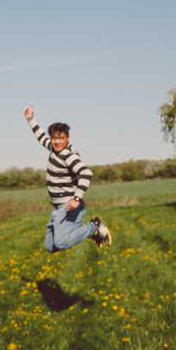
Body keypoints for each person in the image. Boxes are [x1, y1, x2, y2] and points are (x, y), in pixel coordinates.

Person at [25, 105, 111, 252]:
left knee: (61, 242)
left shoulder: (69, 155)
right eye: (54, 138)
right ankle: (94, 232)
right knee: (50, 246)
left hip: (69, 207)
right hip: (58, 206)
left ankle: (93, 227)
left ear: (68, 138)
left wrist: (76, 199)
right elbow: (41, 137)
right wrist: (31, 120)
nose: (57, 142)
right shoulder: (53, 149)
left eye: (61, 138)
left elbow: (86, 173)